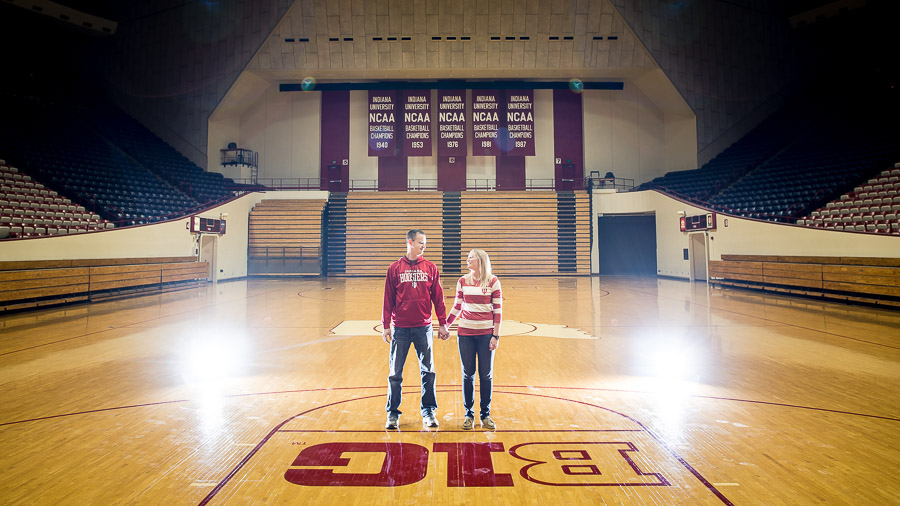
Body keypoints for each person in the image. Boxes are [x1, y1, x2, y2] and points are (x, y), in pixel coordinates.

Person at [383, 229, 450, 430]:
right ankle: (392, 414)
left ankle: (428, 412)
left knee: (428, 371)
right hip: (401, 329)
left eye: (425, 242)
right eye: (421, 242)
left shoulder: (431, 268)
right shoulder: (394, 268)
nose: (424, 245)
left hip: (424, 327)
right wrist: (386, 325)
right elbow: (388, 299)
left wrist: (443, 323)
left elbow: (438, 298)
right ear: (410, 242)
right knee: (395, 373)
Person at [446, 249, 502, 430]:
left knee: (486, 375)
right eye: (468, 257)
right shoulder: (462, 281)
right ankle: (468, 414)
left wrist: (495, 335)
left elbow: (498, 312)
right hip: (465, 335)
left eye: (471, 258)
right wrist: (445, 324)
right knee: (468, 374)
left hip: (486, 335)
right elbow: (457, 306)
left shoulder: (493, 281)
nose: (467, 260)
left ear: (480, 261)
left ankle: (485, 415)